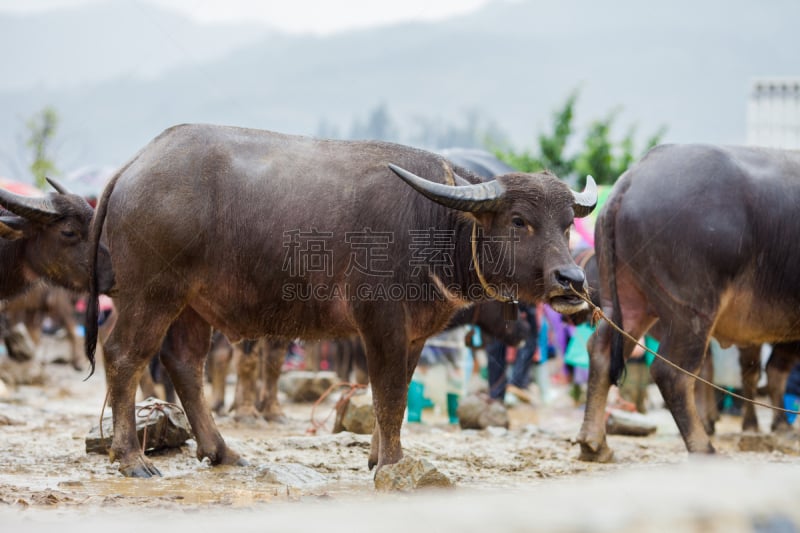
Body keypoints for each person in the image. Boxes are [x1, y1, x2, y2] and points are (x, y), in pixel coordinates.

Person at [486, 303, 539, 404]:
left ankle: (496, 393)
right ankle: (515, 384)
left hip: (504, 298)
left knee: (502, 334)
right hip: (518, 299)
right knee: (526, 338)